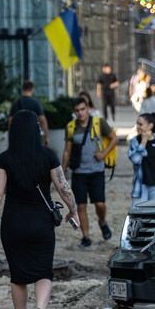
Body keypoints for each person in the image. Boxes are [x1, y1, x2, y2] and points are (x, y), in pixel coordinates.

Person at [0, 110, 78, 309]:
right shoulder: (48, 156)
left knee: (18, 276)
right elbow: (63, 186)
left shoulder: (4, 158)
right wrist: (73, 210)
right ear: (37, 130)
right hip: (41, 223)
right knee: (44, 272)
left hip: (13, 223)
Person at [61, 96, 116, 247]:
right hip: (79, 172)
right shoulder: (71, 127)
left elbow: (114, 138)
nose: (80, 113)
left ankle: (102, 221)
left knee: (100, 204)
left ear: (88, 109)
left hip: (97, 171)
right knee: (81, 206)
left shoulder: (99, 123)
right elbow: (67, 151)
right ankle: (86, 236)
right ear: (74, 112)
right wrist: (62, 171)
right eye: (77, 110)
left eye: (83, 109)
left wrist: (104, 154)